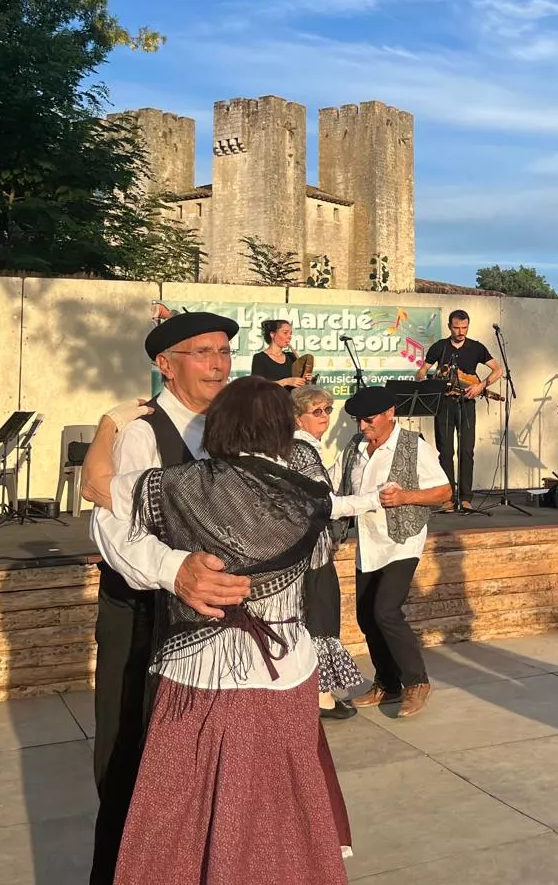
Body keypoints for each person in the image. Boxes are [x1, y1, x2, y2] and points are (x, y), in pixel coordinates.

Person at [82, 376, 381, 885]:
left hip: (200, 674)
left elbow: (94, 486)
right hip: (288, 670)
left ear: (219, 426)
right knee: (281, 809)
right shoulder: (307, 495)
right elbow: (334, 522)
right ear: (283, 431)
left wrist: (110, 424)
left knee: (184, 814)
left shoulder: (177, 486)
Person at [84, 310, 253, 885]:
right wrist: (176, 570)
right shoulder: (140, 429)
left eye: (225, 352)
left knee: (197, 763)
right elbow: (111, 522)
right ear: (165, 365)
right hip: (144, 615)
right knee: (133, 755)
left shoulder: (233, 428)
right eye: (203, 352)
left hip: (212, 620)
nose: (218, 363)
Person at [340, 386, 453, 717]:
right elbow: (337, 483)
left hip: (403, 540)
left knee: (385, 610)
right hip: (369, 540)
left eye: (369, 419)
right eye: (358, 420)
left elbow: (445, 491)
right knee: (366, 615)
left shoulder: (412, 445)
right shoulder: (356, 447)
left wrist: (406, 498)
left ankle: (416, 682)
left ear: (390, 413)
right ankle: (387, 684)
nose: (363, 426)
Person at [293, 383, 363, 720]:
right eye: (316, 411)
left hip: (314, 549)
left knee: (322, 616)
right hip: (309, 552)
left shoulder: (310, 448)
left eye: (327, 410)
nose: (324, 416)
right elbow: (324, 502)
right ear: (298, 417)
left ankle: (322, 692)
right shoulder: (302, 450)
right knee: (319, 618)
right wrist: (372, 501)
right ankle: (319, 696)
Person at [417, 310, 502, 512]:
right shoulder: (439, 347)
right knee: (445, 452)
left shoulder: (476, 348)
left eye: (464, 328)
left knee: (466, 451)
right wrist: (426, 382)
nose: (461, 331)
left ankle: (465, 498)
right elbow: (421, 372)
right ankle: (447, 498)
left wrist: (480, 386)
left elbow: (497, 370)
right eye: (457, 327)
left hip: (466, 404)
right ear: (449, 327)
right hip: (444, 404)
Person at [252, 318, 309, 389]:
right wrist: (286, 382)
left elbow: (300, 382)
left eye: (290, 333)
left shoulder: (291, 356)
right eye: (285, 333)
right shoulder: (260, 358)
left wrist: (306, 378)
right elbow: (258, 386)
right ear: (272, 334)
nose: (289, 337)